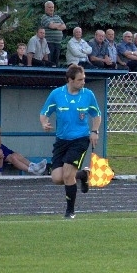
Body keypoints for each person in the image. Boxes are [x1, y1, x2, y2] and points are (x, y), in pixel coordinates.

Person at [39, 65, 101, 219]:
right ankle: (83, 175)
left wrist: (94, 131)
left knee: (67, 174)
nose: (83, 82)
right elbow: (44, 112)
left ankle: (70, 211)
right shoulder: (56, 94)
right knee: (57, 178)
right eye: (80, 80)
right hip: (61, 140)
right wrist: (44, 123)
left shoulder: (88, 95)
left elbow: (96, 115)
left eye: (84, 79)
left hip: (80, 139)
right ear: (70, 80)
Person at [40, 1, 67, 67]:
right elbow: (51, 26)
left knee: (56, 61)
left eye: (52, 7)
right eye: (49, 7)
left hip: (57, 43)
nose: (51, 9)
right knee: (49, 61)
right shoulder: (44, 17)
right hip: (49, 43)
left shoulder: (57, 17)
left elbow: (64, 26)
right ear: (45, 8)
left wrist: (55, 25)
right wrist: (59, 25)